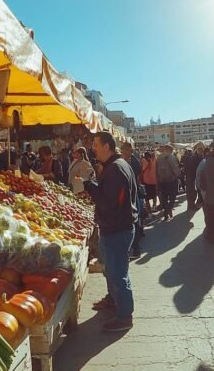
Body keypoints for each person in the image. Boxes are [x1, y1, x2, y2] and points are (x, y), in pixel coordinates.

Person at [83, 132, 138, 332]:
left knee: (118, 273)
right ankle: (113, 300)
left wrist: (89, 187)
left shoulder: (115, 169)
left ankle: (125, 316)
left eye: (96, 145)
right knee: (111, 270)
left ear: (107, 146)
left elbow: (108, 203)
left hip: (117, 229)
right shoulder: (118, 165)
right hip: (115, 227)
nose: (93, 148)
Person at [120, 142, 145, 260]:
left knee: (133, 222)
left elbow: (136, 175)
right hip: (131, 193)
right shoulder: (131, 160)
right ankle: (134, 248)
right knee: (134, 220)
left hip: (131, 195)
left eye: (122, 150)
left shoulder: (131, 161)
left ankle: (136, 248)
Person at [155, 144, 180, 221]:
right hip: (171, 180)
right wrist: (177, 175)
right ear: (170, 150)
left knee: (164, 198)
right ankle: (167, 211)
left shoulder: (158, 157)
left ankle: (166, 214)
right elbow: (175, 169)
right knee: (173, 197)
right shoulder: (171, 157)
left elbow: (156, 169)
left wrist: (158, 179)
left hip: (162, 181)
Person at [184, 145, 204, 211]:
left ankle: (191, 205)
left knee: (192, 191)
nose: (201, 151)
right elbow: (192, 168)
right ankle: (191, 206)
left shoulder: (199, 157)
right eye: (199, 150)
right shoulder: (194, 157)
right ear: (196, 150)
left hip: (192, 176)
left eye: (201, 150)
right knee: (192, 191)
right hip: (192, 176)